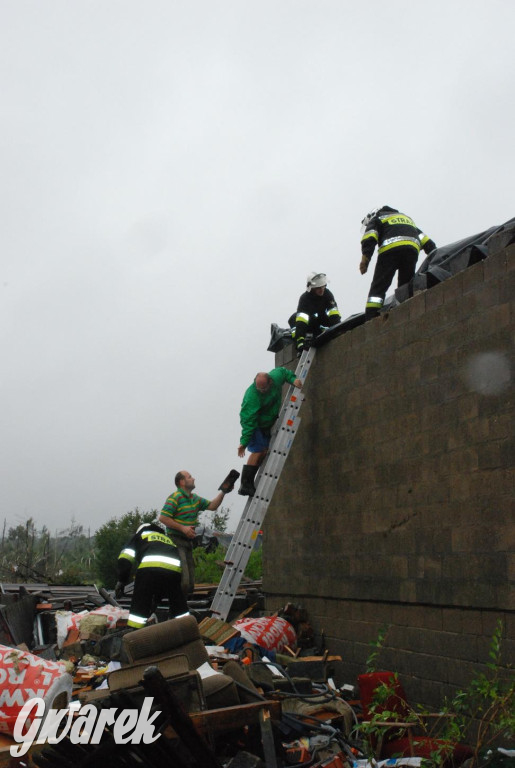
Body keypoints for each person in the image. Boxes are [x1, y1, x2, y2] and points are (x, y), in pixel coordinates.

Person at [158, 471, 229, 597]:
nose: (193, 478)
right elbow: (163, 518)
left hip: (188, 543)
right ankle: (176, 609)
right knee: (183, 581)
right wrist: (182, 528)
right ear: (182, 482)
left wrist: (223, 492)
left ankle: (183, 608)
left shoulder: (194, 498)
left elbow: (212, 506)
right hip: (176, 542)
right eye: (190, 477)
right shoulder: (175, 497)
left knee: (190, 584)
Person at [360, 205, 436, 319]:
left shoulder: (378, 218)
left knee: (379, 286)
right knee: (405, 286)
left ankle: (371, 318)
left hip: (390, 250)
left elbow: (369, 237)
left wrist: (365, 258)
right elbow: (427, 241)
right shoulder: (406, 218)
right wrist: (435, 255)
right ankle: (405, 310)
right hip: (411, 250)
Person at [237, 368, 302, 496]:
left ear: (270, 382)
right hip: (254, 424)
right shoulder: (252, 396)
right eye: (258, 388)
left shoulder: (276, 377)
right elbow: (249, 421)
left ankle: (251, 480)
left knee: (265, 451)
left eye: (263, 388)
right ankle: (245, 485)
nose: (261, 391)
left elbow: (284, 372)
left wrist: (293, 380)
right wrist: (243, 443)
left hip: (266, 422)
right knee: (259, 450)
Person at [115, 521, 189, 629]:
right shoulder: (167, 539)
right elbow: (163, 572)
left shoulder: (140, 535)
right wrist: (156, 599)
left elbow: (125, 558)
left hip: (148, 570)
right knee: (178, 603)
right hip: (174, 571)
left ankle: (134, 634)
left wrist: (122, 580)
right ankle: (187, 628)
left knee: (139, 606)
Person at [289, 272, 341, 356]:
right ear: (312, 288)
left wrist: (338, 329)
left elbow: (333, 314)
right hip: (308, 325)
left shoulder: (327, 294)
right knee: (293, 319)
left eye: (323, 286)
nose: (321, 290)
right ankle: (300, 341)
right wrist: (300, 343)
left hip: (321, 322)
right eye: (318, 288)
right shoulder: (304, 299)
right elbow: (301, 322)